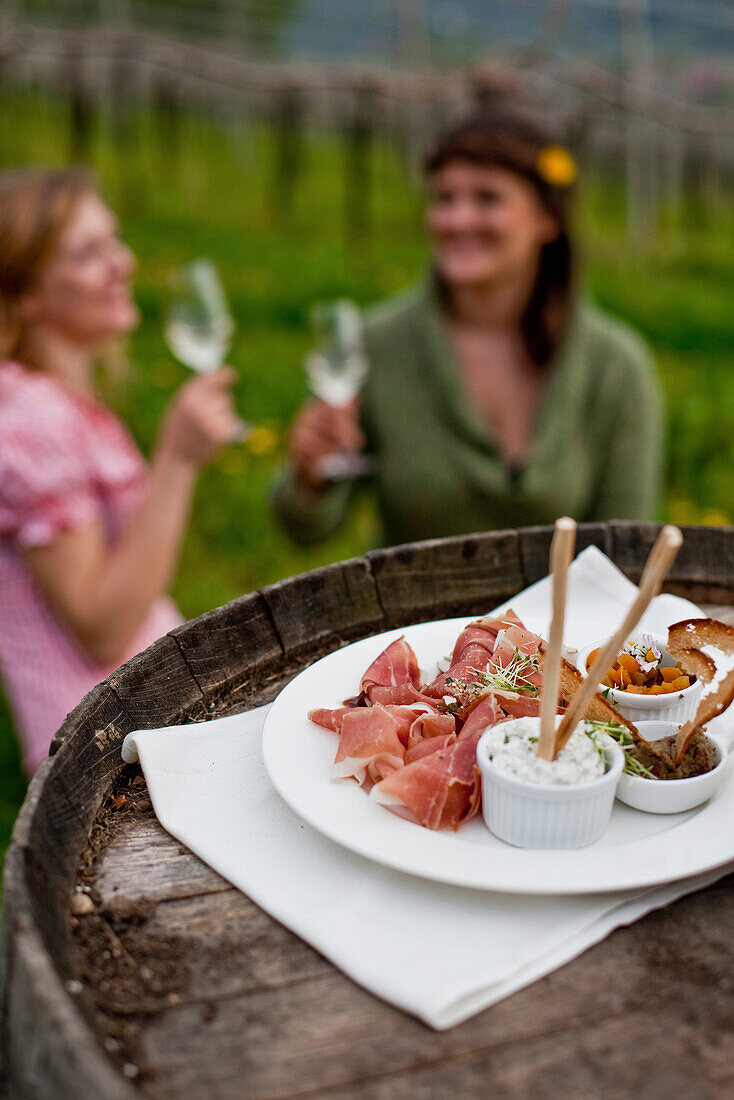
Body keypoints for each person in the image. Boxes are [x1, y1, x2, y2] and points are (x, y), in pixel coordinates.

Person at [273, 107, 663, 547]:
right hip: (414, 617)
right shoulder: (375, 345)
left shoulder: (615, 367)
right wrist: (311, 478)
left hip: (569, 619)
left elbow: (629, 551)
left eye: (487, 198)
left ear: (547, 220)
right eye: (444, 199)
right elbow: (303, 530)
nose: (458, 220)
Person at [0, 169, 240, 773]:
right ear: (26, 294)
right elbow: (101, 628)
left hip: (143, 710)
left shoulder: (62, 401)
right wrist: (178, 463)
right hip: (100, 749)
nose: (122, 264)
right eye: (88, 254)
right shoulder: (29, 423)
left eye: (114, 241)